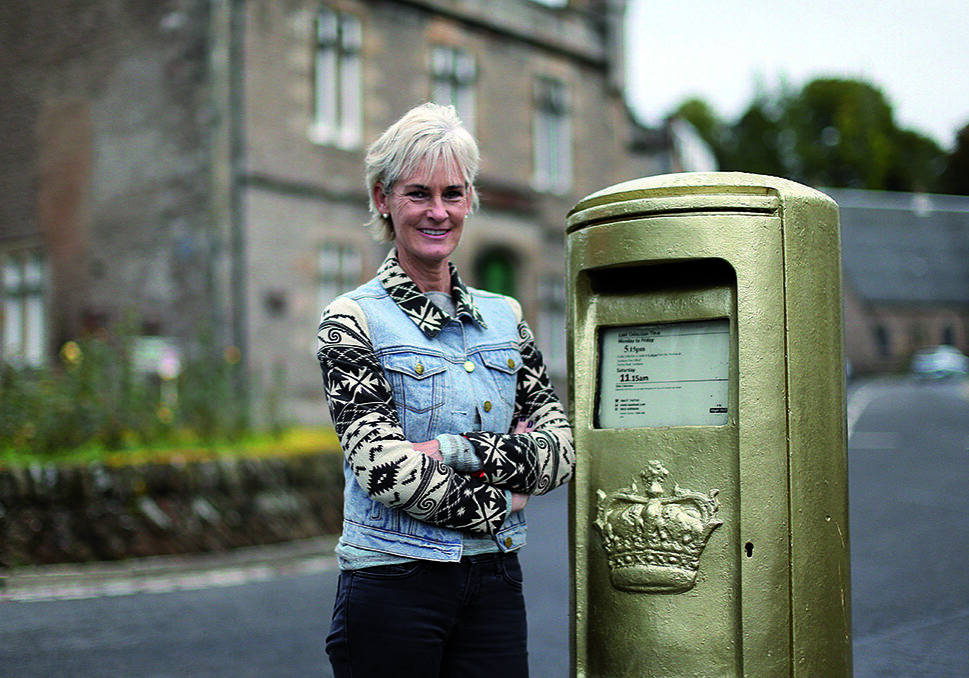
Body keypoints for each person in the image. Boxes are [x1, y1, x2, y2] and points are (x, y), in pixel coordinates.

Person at [316, 102, 574, 678]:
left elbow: (560, 453)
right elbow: (383, 468)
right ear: (384, 199)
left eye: (453, 194)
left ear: (470, 200)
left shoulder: (505, 318)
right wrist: (502, 498)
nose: (439, 212)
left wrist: (458, 452)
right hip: (392, 581)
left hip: (495, 584)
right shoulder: (350, 320)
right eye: (418, 194)